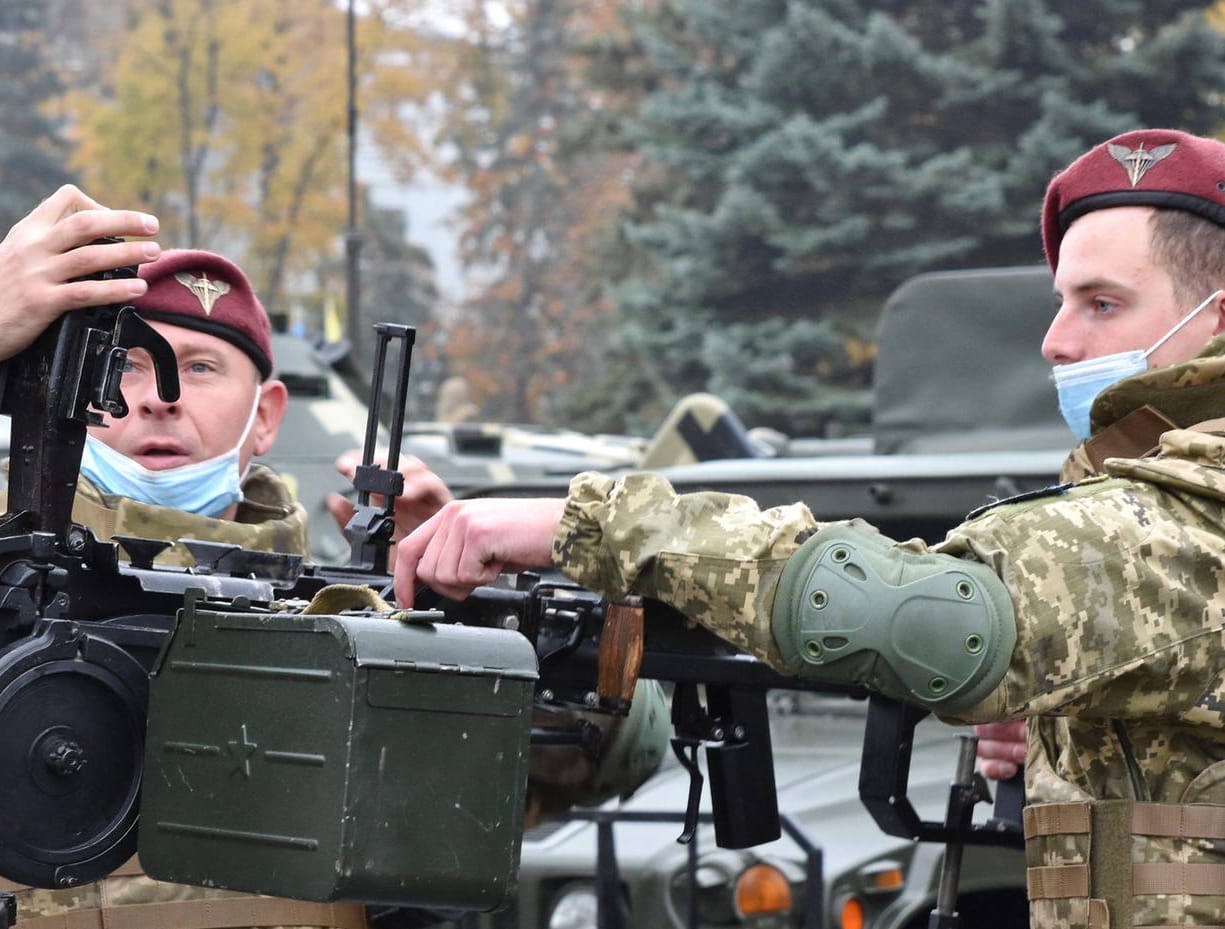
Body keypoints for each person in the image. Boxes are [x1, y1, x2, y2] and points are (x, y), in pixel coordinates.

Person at [391, 128, 1225, 929]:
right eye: (1061, 302)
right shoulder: (1144, 502)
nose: (1054, 340)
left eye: (1102, 303)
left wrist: (598, 523)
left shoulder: (1190, 514)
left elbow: (926, 619)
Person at [0, 185, 666, 929]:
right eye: (123, 364)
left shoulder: (348, 618)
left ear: (265, 415)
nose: (158, 395)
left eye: (198, 368)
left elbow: (610, 756)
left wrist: (473, 612)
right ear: (66, 394)